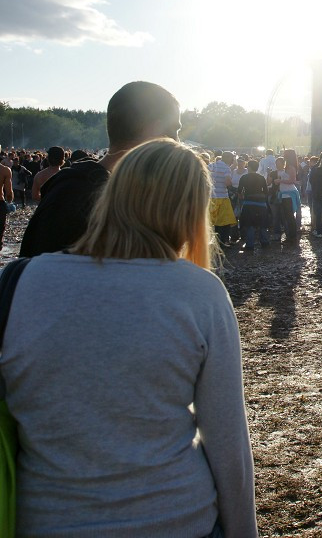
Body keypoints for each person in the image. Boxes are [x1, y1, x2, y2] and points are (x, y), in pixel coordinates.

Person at [0, 139, 258, 537]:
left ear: (113, 196)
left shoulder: (18, 282)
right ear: (191, 212)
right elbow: (229, 446)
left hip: (47, 517)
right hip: (176, 518)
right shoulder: (199, 293)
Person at [20, 81, 181, 257]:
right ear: (153, 131)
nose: (178, 142)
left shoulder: (76, 190)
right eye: (174, 130)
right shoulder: (78, 194)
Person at [237, 159, 271, 252]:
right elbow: (266, 191)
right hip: (261, 203)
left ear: (249, 167)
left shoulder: (244, 177)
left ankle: (250, 245)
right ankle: (264, 242)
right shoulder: (261, 177)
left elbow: (239, 191)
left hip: (249, 203)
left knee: (249, 224)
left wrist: (242, 198)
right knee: (262, 224)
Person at [209, 151, 236, 246]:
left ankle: (215, 241)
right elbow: (228, 182)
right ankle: (224, 241)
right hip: (223, 197)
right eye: (232, 158)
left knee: (214, 221)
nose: (233, 160)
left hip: (211, 197)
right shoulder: (226, 168)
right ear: (228, 158)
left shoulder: (211, 165)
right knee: (225, 221)